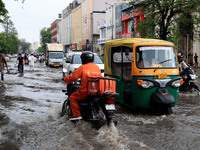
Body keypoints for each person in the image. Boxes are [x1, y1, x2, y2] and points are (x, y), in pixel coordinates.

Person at [63, 51, 102, 120]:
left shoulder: (82, 67)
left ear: (83, 59)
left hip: (85, 92)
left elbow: (73, 77)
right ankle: (98, 111)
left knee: (72, 97)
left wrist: (65, 79)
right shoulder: (96, 67)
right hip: (96, 91)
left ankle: (77, 116)